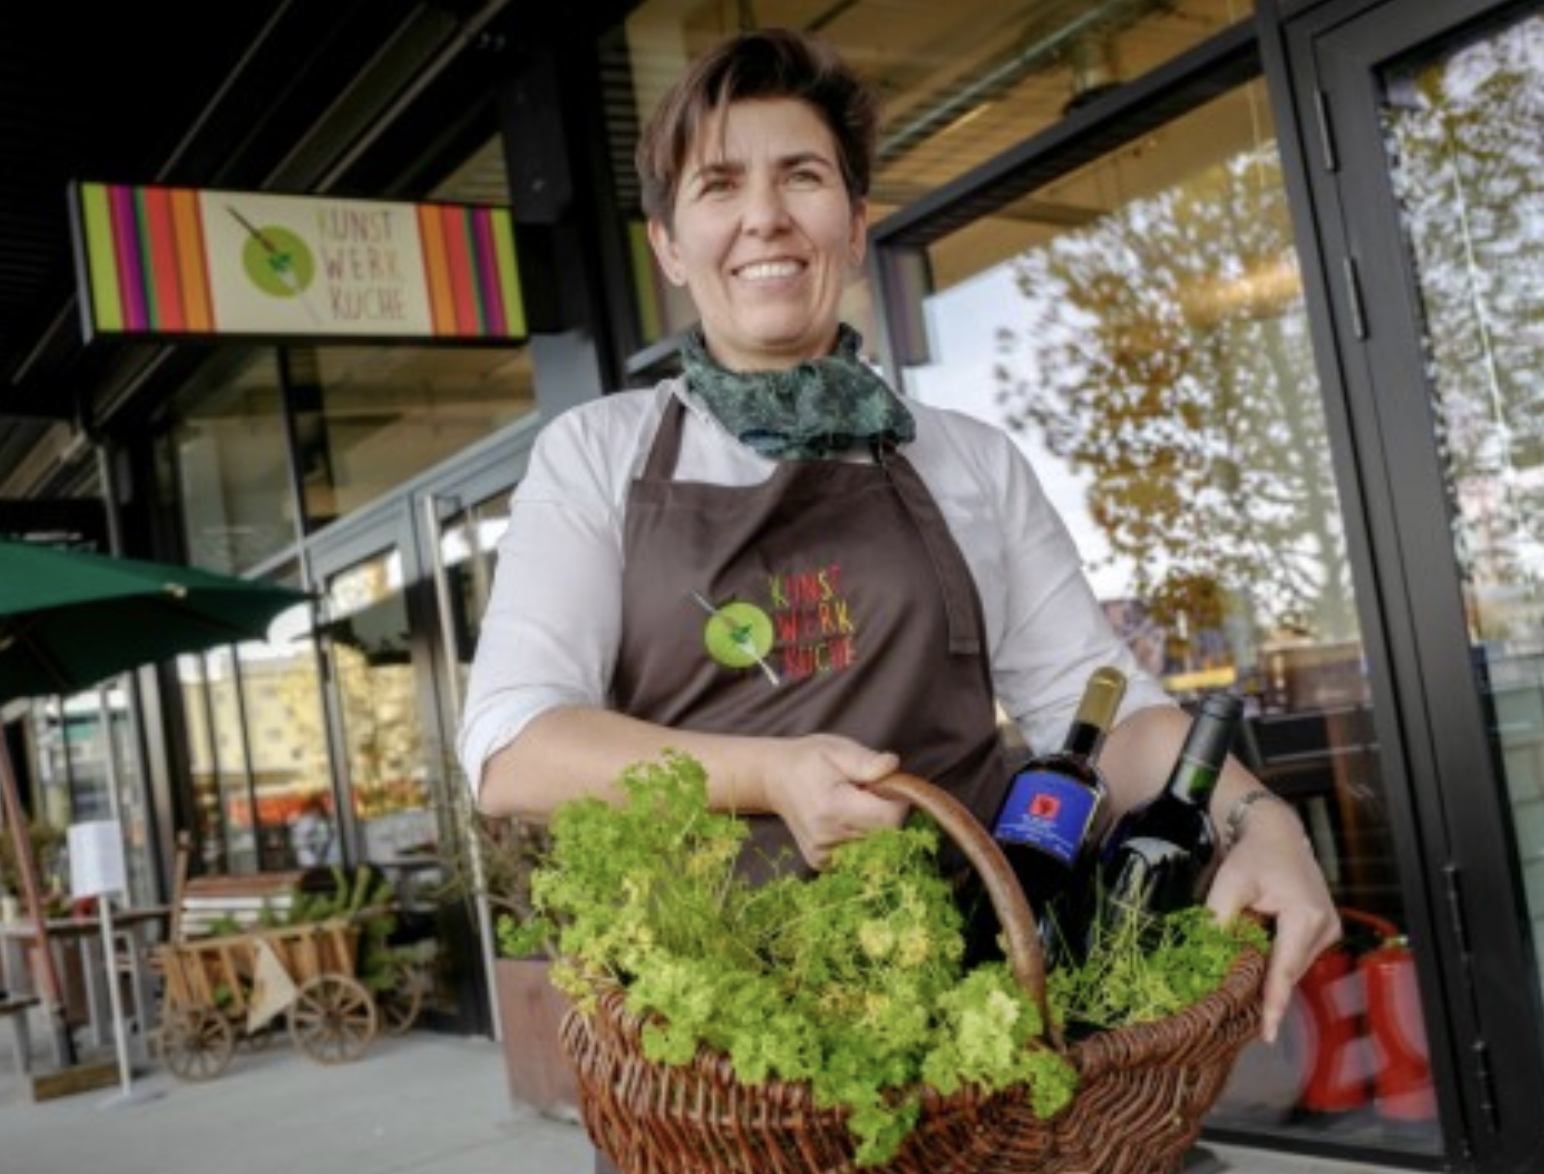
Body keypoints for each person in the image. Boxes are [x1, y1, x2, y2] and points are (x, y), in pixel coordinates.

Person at [460, 28, 1339, 1158]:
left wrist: (1257, 818)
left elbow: (1100, 703)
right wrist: (769, 775)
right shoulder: (600, 456)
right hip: (721, 1062)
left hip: (979, 1011)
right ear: (671, 246)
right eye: (719, 185)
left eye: (803, 177)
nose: (765, 216)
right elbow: (511, 752)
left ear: (856, 225)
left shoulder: (965, 459)